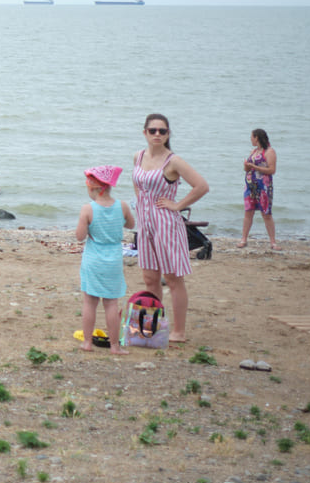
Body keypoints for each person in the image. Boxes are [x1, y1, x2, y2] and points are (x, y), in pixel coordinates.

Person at [133, 113, 209, 345]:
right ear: (144, 132)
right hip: (144, 224)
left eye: (162, 131)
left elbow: (202, 186)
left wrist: (177, 205)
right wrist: (140, 206)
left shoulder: (173, 161)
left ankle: (178, 331)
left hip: (166, 224)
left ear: (168, 134)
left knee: (173, 278)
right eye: (153, 130)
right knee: (149, 278)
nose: (157, 134)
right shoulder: (137, 156)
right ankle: (154, 325)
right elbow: (137, 184)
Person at [74, 166, 134, 354]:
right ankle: (115, 346)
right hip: (113, 259)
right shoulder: (122, 206)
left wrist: (88, 225)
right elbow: (131, 224)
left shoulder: (88, 209)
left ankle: (87, 343)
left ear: (94, 188)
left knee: (90, 302)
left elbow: (80, 236)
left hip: (93, 259)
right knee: (111, 303)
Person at [239, 129, 277, 250]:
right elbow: (247, 170)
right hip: (250, 186)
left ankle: (273, 242)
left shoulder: (269, 152)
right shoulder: (254, 151)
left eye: (252, 137)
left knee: (266, 213)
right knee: (248, 212)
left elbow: (272, 170)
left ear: (257, 138)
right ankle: (243, 239)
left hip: (263, 186)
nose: (250, 139)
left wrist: (254, 167)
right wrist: (246, 166)